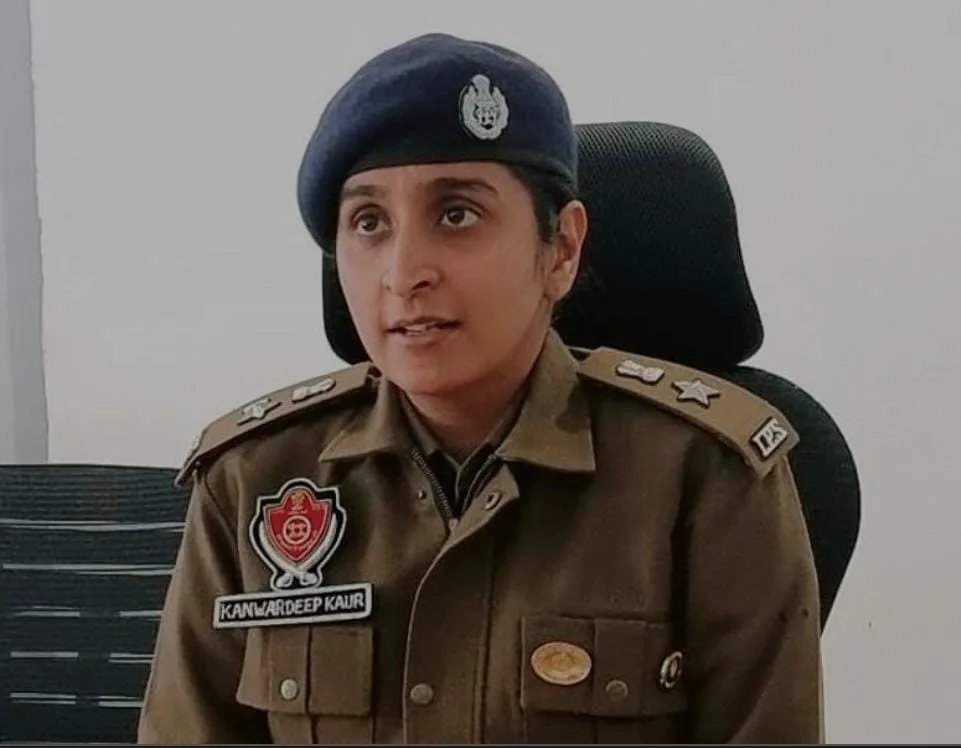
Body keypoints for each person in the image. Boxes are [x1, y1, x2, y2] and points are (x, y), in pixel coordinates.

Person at [137, 32, 823, 744]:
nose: (404, 273)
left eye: (456, 214)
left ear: (561, 250)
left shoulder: (704, 476)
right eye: (369, 223)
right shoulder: (253, 478)